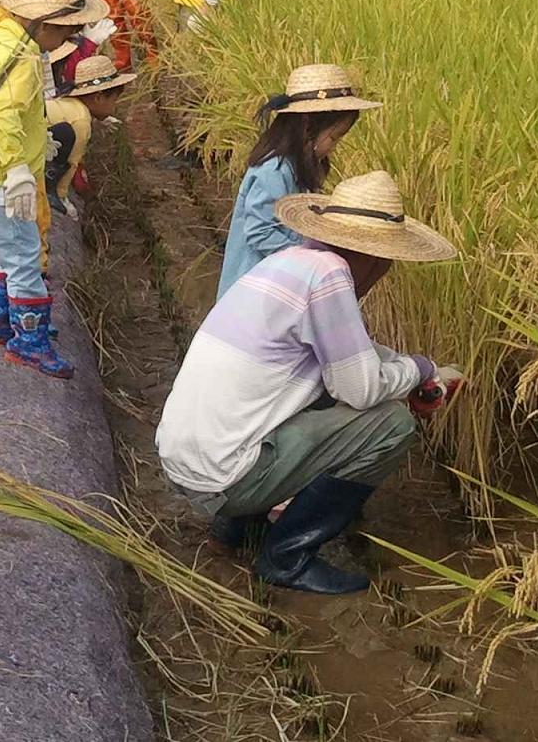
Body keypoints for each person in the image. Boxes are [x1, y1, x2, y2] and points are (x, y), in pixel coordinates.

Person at [156, 171, 463, 595]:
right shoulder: (331, 276)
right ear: (378, 257)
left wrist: (417, 371)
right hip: (223, 475)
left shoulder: (291, 262)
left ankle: (232, 529)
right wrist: (420, 368)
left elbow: (354, 353)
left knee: (312, 396)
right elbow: (360, 389)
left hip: (187, 460)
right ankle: (287, 558)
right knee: (392, 425)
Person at [0, 0, 108, 380]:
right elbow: (4, 117)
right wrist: (18, 170)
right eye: (64, 31)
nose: (66, 41)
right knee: (23, 257)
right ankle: (29, 342)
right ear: (43, 24)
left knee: (7, 252)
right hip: (0, 174)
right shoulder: (21, 58)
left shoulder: (1, 39)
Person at [218, 64, 382, 298]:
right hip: (252, 292)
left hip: (277, 285)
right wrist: (311, 260)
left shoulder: (299, 167)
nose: (333, 147)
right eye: (334, 138)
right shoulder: (273, 170)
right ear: (307, 125)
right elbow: (260, 231)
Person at [45, 54, 137, 216]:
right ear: (98, 97)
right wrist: (61, 196)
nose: (114, 107)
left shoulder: (71, 106)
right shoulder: (81, 120)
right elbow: (72, 162)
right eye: (114, 101)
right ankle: (49, 191)